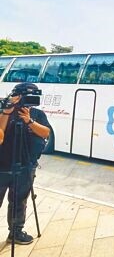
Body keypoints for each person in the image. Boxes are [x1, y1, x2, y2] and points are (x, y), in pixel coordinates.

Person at [0, 82, 50, 245]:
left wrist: (29, 121)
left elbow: (46, 133)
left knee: (19, 201)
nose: (29, 100)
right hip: (2, 166)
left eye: (33, 97)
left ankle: (15, 232)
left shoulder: (37, 114)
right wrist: (7, 111)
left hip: (26, 165)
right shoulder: (4, 111)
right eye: (25, 96)